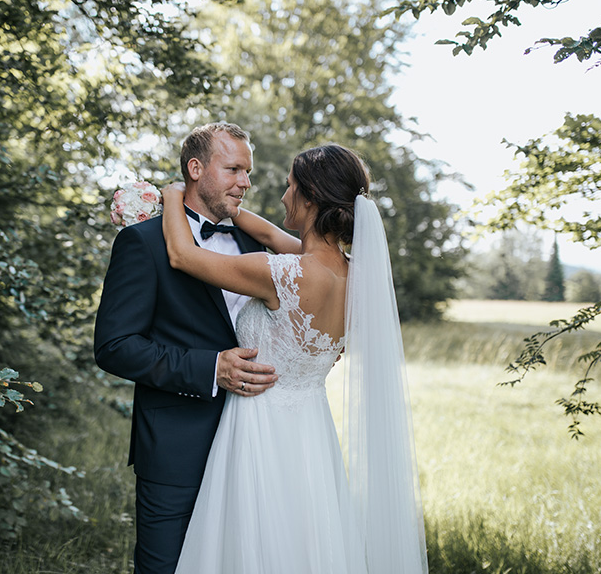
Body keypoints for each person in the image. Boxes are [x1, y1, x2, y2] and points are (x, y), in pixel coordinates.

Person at [162, 144, 429, 573]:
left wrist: (174, 193)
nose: (284, 196)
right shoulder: (352, 276)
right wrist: (230, 210)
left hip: (259, 425)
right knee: (305, 541)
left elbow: (182, 255)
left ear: (309, 197)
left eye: (290, 186)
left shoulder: (282, 273)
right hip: (310, 431)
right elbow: (271, 235)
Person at [94, 122, 279, 574]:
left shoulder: (259, 243)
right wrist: (208, 368)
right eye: (234, 169)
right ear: (196, 168)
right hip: (177, 444)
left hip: (260, 437)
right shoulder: (143, 243)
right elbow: (114, 346)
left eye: (248, 171)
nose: (246, 182)